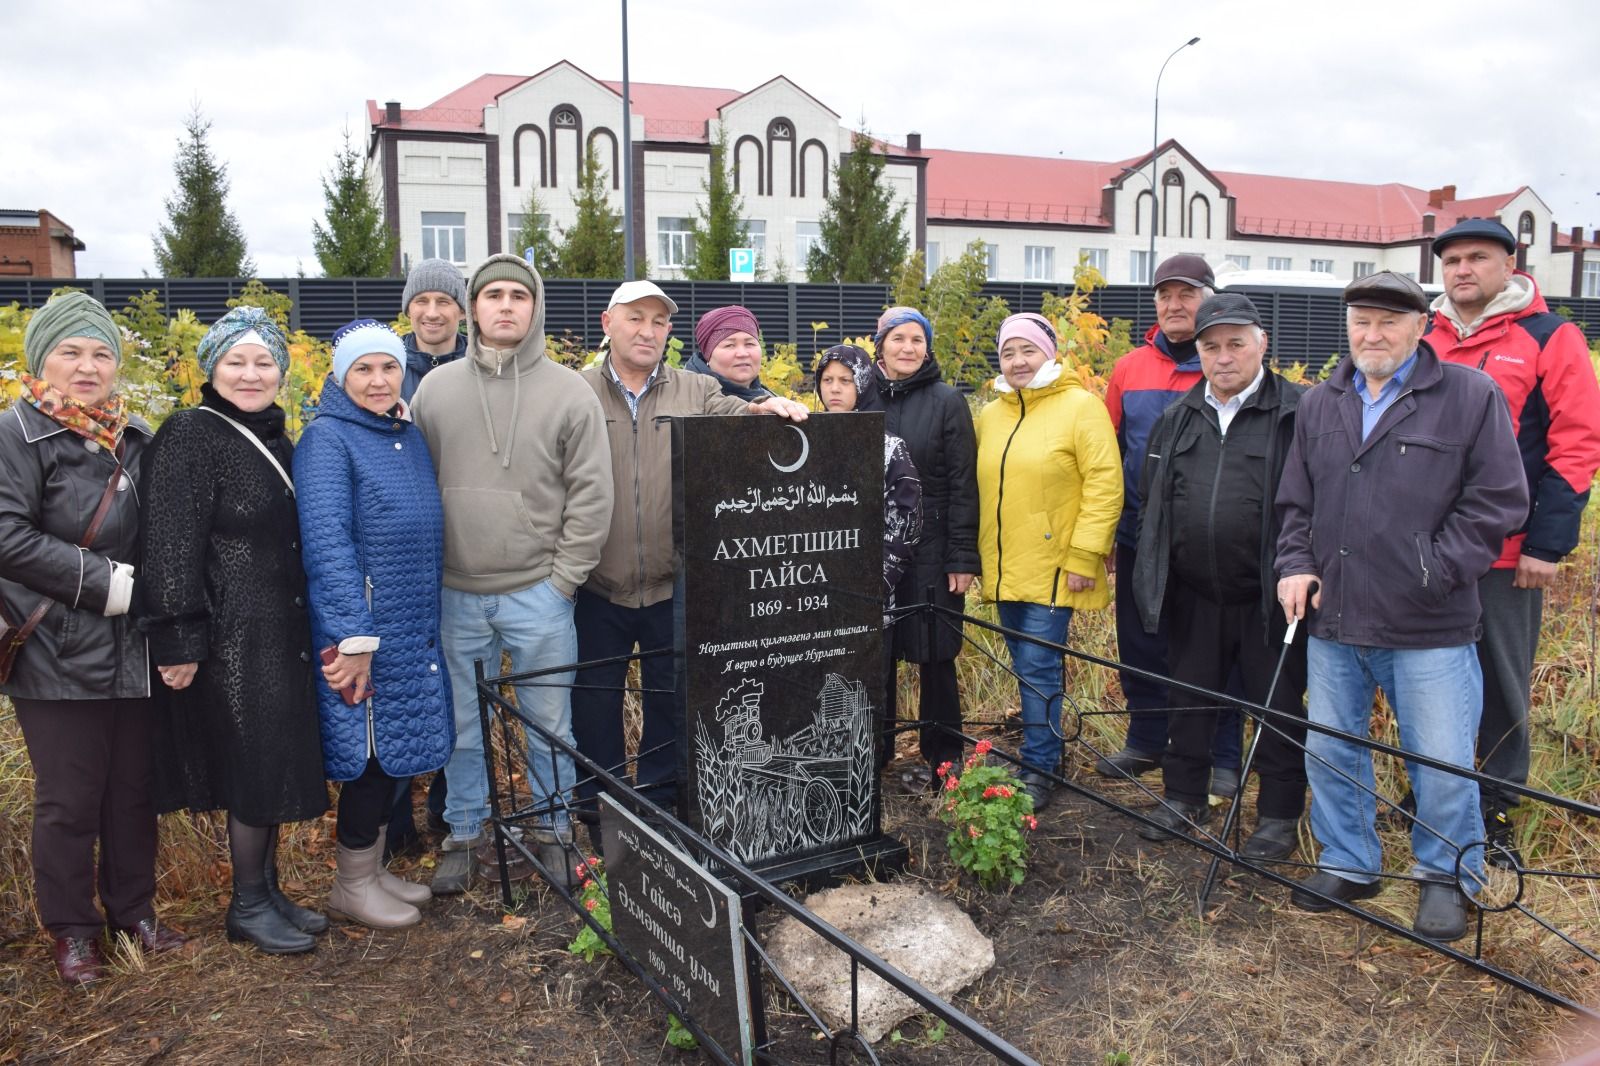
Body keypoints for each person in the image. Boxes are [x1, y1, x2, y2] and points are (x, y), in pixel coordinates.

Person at [1275, 271, 1527, 942]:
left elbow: (1499, 499)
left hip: (1429, 621)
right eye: (1361, 320)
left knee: (1440, 757)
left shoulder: (1469, 396)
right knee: (1332, 747)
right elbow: (1296, 503)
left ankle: (1445, 875)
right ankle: (1350, 861)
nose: (1372, 334)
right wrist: (1296, 564)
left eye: (1389, 321)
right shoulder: (1322, 403)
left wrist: (1435, 569)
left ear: (1422, 326)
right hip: (1334, 618)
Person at [411, 253, 614, 895]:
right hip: (456, 595)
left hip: (539, 595)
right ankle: (465, 831)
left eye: (517, 296)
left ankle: (553, 831)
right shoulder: (435, 391)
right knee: (461, 728)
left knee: (550, 725)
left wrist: (562, 582)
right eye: (492, 294)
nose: (505, 305)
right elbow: (417, 486)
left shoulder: (569, 392)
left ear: (535, 308)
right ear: (473, 308)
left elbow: (591, 496)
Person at [0, 292, 184, 984]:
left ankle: (134, 914)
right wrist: (105, 582)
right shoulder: (14, 436)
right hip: (53, 649)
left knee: (131, 789)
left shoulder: (134, 435)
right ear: (41, 358)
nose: (88, 366)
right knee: (70, 797)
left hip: (132, 647)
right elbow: (5, 535)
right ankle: (73, 933)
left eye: (101, 352)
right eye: (71, 352)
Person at [574, 283, 809, 810]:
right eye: (636, 318)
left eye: (658, 322)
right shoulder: (575, 390)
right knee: (593, 703)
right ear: (608, 322)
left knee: (668, 699)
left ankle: (659, 803)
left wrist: (772, 408)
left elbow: (739, 408)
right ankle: (600, 807)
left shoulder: (692, 390)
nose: (647, 331)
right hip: (594, 584)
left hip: (669, 581)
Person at [139, 306, 329, 955]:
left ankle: (267, 890)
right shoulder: (192, 434)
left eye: (264, 361)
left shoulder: (277, 437)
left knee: (270, 760)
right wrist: (177, 640)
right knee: (250, 767)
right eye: (236, 360)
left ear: (281, 369)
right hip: (229, 639)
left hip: (278, 632)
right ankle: (247, 903)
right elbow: (168, 544)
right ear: (211, 367)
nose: (251, 373)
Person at [1421, 219, 1600, 866]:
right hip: (1426, 549)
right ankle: (1434, 799)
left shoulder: (1548, 338)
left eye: (1477, 258)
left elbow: (1576, 442)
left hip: (1505, 553)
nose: (1463, 270)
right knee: (1427, 679)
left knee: (1500, 683)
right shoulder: (1425, 334)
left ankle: (1494, 814)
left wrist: (1547, 544)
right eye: (1452, 261)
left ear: (1509, 264)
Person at [1131, 294, 1308, 857]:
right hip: (1195, 593)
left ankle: (1278, 816)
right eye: (1211, 346)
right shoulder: (1178, 418)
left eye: (1236, 344)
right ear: (1199, 353)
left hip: (1270, 597)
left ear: (1262, 343)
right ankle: (1184, 797)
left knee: (1277, 707)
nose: (1223, 357)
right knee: (1189, 700)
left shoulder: (1299, 414)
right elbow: (1153, 502)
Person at [295, 320, 454, 928]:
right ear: (340, 376)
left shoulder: (402, 434)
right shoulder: (328, 440)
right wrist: (353, 640)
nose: (378, 379)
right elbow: (328, 544)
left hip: (411, 626)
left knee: (395, 754)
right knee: (366, 758)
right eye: (363, 369)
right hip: (364, 633)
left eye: (388, 367)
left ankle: (373, 871)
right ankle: (350, 883)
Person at [1101, 254, 1243, 789]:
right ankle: (1146, 740)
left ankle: (1223, 754)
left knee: (1214, 648)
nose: (1174, 305)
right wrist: (1113, 530)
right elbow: (1109, 454)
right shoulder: (1129, 369)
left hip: (1207, 540)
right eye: (1164, 295)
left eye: (1185, 294)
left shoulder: (1223, 366)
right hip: (1141, 535)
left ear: (1208, 297)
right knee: (1141, 642)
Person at [975, 314, 1121, 810]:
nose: (1017, 362)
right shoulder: (991, 415)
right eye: (1008, 353)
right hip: (1003, 566)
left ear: (1049, 353)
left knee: (1038, 667)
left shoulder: (1081, 407)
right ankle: (1043, 748)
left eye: (1027, 351)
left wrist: (1085, 554)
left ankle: (1042, 765)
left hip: (1057, 567)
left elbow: (1105, 485)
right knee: (1024, 665)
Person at [870, 306, 979, 785]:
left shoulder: (946, 401)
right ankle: (874, 751)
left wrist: (961, 556)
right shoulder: (862, 395)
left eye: (917, 339)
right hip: (876, 547)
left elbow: (962, 483)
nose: (907, 348)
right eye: (898, 339)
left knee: (935, 654)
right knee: (876, 653)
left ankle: (944, 754)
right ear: (881, 346)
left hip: (932, 547)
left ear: (927, 347)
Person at [386, 257, 468, 859]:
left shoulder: (478, 366)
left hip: (464, 553)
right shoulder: (385, 371)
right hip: (402, 558)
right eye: (423, 302)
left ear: (461, 311)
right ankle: (392, 824)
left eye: (445, 303)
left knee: (456, 688)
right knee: (401, 687)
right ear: (409, 308)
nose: (433, 313)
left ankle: (446, 809)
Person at [813, 343, 923, 768]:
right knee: (825, 684)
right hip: (816, 589)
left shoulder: (888, 446)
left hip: (870, 591)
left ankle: (871, 768)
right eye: (827, 381)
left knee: (867, 683)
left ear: (864, 383)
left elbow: (907, 518)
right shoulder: (805, 438)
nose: (835, 390)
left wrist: (876, 579)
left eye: (845, 380)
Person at [684, 305, 774, 400]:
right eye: (729, 345)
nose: (742, 354)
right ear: (708, 355)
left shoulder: (773, 401)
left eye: (749, 343)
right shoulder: (687, 400)